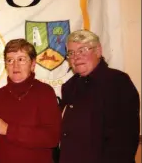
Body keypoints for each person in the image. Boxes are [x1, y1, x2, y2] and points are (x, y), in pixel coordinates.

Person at [59, 29, 140, 163]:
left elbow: (124, 140)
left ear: (98, 51)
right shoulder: (69, 86)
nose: (76, 57)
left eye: (82, 50)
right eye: (71, 53)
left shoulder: (117, 82)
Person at [0, 39, 62, 163]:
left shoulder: (45, 92)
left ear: (32, 64)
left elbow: (52, 137)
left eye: (21, 59)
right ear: (5, 65)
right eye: (10, 60)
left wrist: (8, 130)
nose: (15, 65)